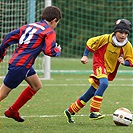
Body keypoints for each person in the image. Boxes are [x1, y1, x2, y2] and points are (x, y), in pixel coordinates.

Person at [64, 19, 133, 123]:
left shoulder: (127, 45)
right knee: (104, 83)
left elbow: (131, 60)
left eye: (126, 33)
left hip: (109, 70)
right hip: (99, 64)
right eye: (121, 32)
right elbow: (90, 42)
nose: (123, 35)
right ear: (115, 32)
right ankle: (94, 111)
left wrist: (124, 62)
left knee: (90, 93)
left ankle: (70, 111)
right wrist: (85, 56)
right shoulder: (105, 39)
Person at [0, 6, 62, 122]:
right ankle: (12, 111)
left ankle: (13, 111)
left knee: (36, 85)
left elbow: (8, 37)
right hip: (21, 66)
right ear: (54, 20)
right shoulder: (49, 31)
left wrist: (1, 54)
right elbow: (49, 50)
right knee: (2, 93)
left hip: (23, 64)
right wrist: (57, 51)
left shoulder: (29, 26)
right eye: (57, 23)